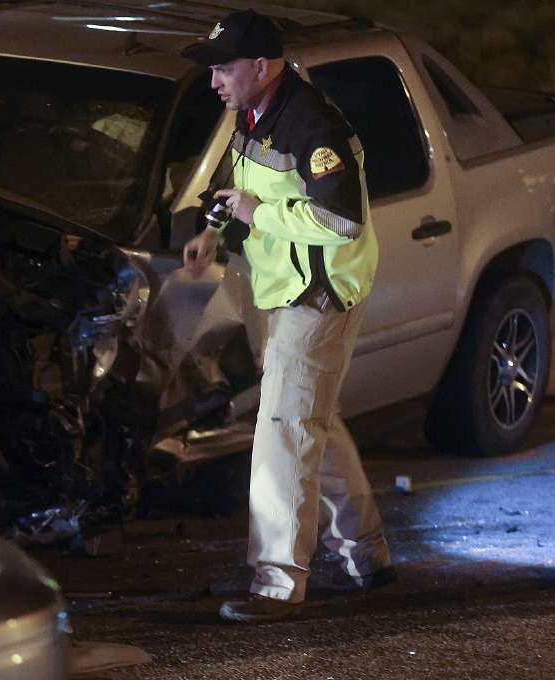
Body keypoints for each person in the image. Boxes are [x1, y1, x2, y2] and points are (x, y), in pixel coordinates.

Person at [180, 9, 394, 624]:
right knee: (307, 423)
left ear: (261, 66)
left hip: (318, 295)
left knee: (282, 433)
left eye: (222, 69)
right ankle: (367, 556)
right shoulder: (253, 116)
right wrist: (216, 230)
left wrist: (254, 215)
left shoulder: (310, 125)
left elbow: (341, 221)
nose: (214, 81)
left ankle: (276, 585)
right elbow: (241, 188)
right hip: (290, 290)